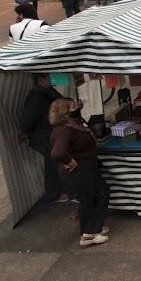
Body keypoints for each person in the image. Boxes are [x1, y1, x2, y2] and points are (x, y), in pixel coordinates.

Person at [49, 98, 110, 247]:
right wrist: (70, 161)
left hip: (87, 170)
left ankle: (93, 228)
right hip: (79, 172)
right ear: (65, 112)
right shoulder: (64, 130)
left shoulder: (72, 124)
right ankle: (88, 234)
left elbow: (79, 116)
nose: (77, 106)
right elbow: (57, 153)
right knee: (90, 199)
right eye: (73, 105)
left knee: (99, 194)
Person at [19, 74, 65, 203]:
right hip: (41, 136)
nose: (52, 78)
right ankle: (53, 194)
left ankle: (58, 189)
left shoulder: (46, 90)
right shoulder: (36, 97)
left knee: (55, 160)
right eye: (49, 77)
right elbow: (26, 121)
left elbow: (60, 101)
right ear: (41, 80)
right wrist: (23, 133)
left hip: (49, 133)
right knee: (52, 162)